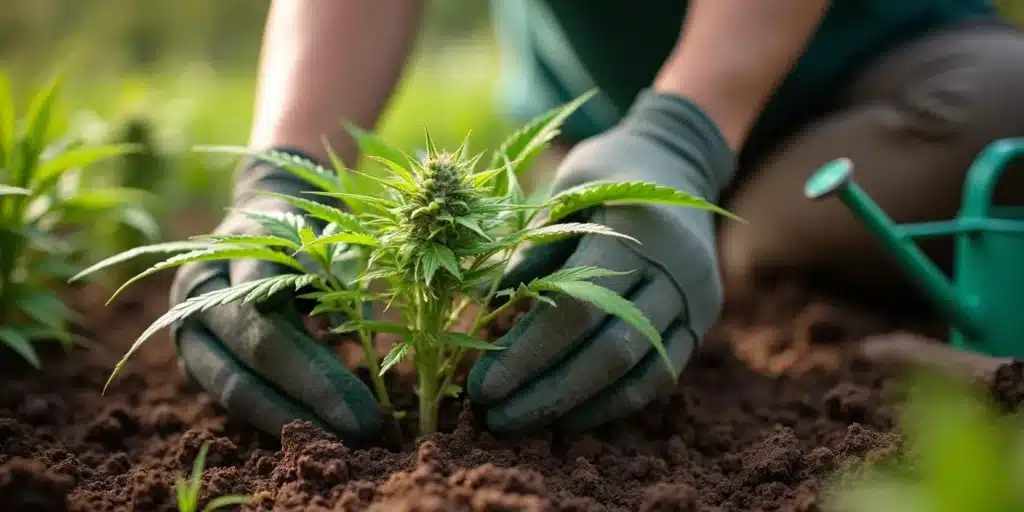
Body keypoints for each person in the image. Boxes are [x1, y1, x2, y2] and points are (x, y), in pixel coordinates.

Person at [167, 0, 1024, 441]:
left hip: (882, 83)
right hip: (600, 128)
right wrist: (284, 170)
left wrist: (686, 134)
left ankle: (739, 243)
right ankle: (707, 230)